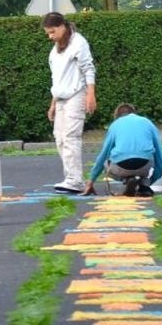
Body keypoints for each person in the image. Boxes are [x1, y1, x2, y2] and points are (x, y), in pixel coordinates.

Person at [42, 11, 96, 194]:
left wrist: (91, 94)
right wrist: (53, 104)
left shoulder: (79, 43)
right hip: (61, 97)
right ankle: (71, 178)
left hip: (77, 93)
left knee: (71, 136)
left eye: (52, 32)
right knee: (60, 137)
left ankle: (75, 179)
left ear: (62, 27)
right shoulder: (55, 50)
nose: (50, 37)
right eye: (48, 33)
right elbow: (57, 79)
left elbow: (88, 68)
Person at [84, 103, 162, 197]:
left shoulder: (115, 125)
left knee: (107, 162)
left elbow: (103, 156)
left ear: (117, 117)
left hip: (122, 167)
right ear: (134, 113)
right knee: (151, 155)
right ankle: (142, 184)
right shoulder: (147, 122)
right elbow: (160, 160)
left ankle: (127, 180)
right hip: (144, 166)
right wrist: (149, 182)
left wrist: (91, 181)